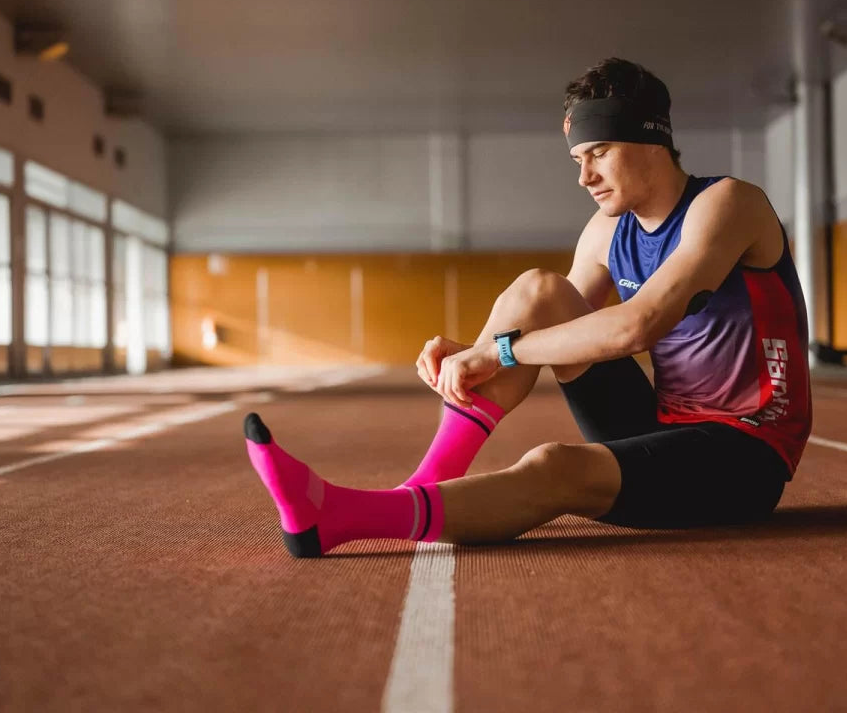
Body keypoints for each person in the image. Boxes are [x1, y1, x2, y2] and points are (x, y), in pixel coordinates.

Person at [245, 57, 812, 558]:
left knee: (556, 467)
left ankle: (343, 517)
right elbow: (550, 321)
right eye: (577, 159)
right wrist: (474, 353)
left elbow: (637, 326)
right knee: (538, 288)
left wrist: (499, 351)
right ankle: (427, 479)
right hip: (658, 424)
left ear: (651, 140)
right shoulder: (605, 230)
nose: (585, 175)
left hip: (743, 453)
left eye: (598, 153)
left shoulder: (729, 204)